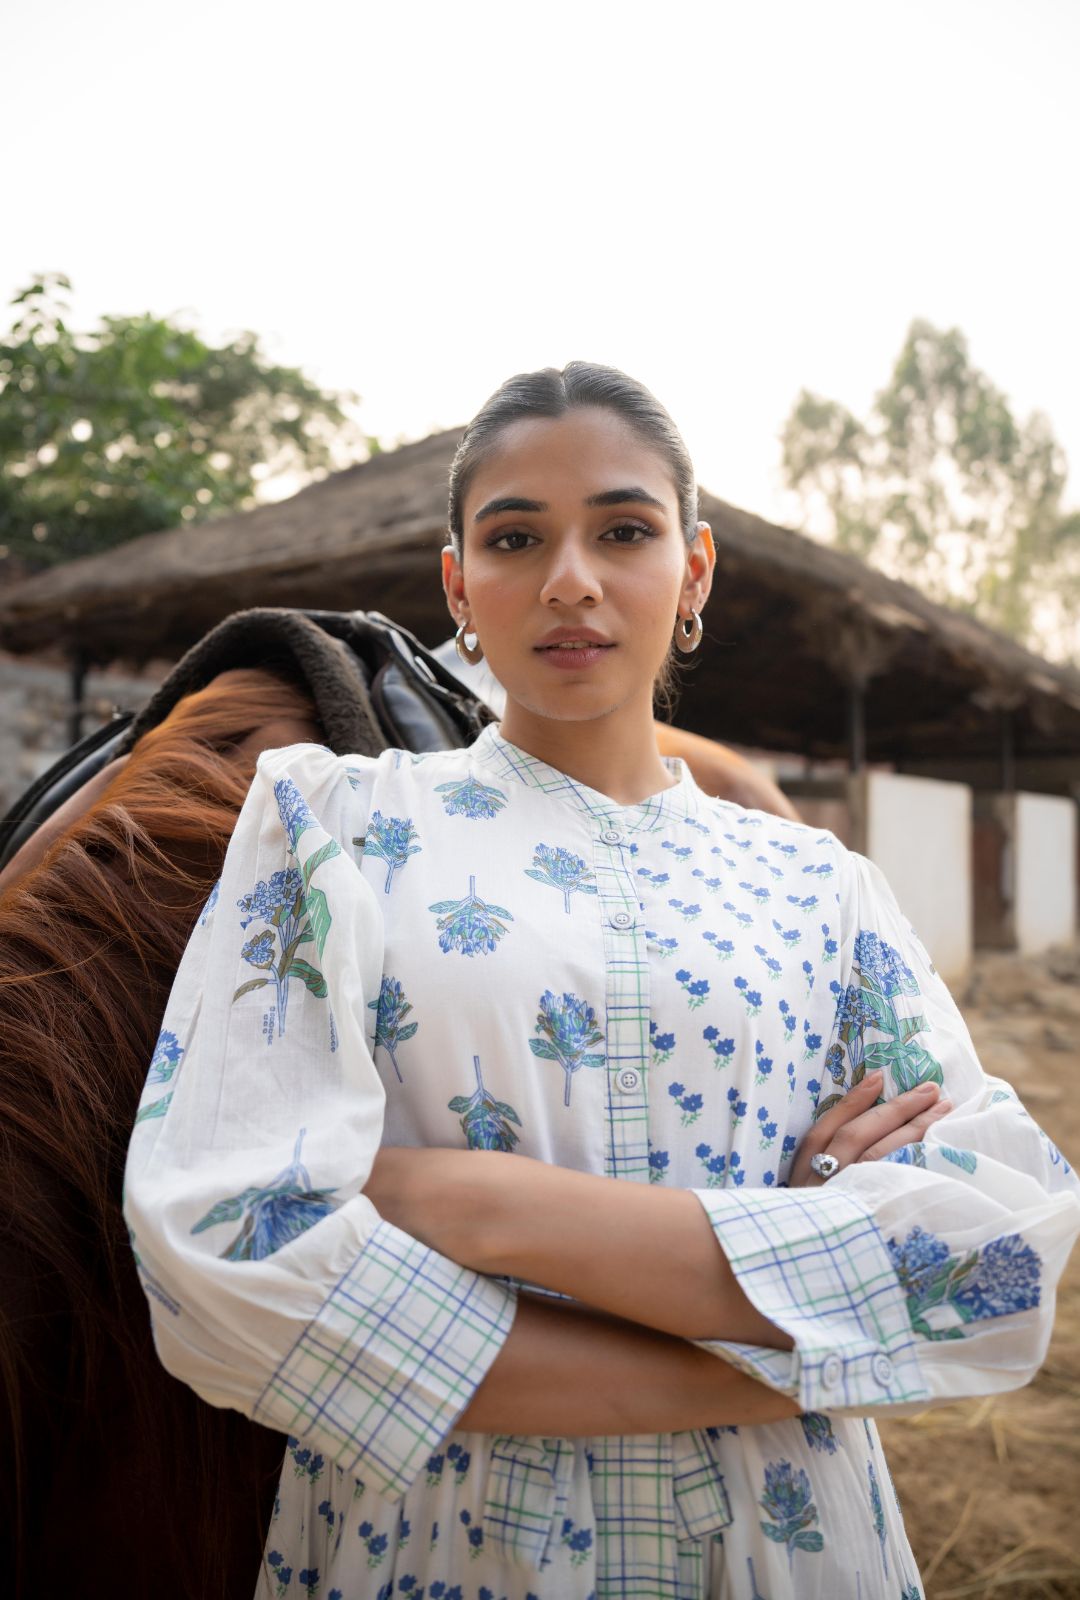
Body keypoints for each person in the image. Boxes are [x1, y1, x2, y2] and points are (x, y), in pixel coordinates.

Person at [124, 363, 1080, 1600]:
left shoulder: (819, 887)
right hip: (436, 1544)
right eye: (516, 536)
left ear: (694, 570)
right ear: (460, 583)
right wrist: (796, 1309)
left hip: (783, 1545)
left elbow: (995, 1253)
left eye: (624, 530)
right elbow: (223, 1245)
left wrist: (473, 1204)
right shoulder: (333, 826)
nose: (570, 576)